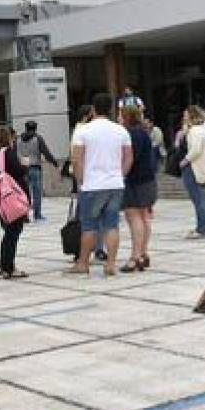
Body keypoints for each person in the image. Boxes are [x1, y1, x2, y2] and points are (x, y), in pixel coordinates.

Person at [67, 93, 133, 277]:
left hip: (92, 185)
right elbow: (129, 158)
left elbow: (77, 159)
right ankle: (111, 264)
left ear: (93, 109)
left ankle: (83, 263)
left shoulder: (83, 131)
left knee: (89, 227)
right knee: (111, 225)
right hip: (114, 184)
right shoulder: (121, 131)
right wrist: (120, 175)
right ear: (110, 109)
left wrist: (81, 181)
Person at [0, 128, 31, 280]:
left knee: (9, 232)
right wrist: (25, 165)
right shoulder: (7, 152)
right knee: (13, 233)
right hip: (12, 200)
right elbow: (18, 172)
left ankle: (4, 266)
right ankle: (8, 267)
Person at [120, 108, 157, 273]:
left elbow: (130, 158)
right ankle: (143, 253)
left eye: (121, 115)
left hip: (135, 181)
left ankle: (135, 257)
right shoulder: (144, 133)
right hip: (148, 179)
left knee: (134, 217)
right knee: (145, 216)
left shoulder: (131, 135)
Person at [16, 121, 59, 221]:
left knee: (24, 193)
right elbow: (46, 152)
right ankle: (37, 214)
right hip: (35, 168)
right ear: (35, 128)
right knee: (36, 193)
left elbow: (14, 153)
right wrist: (54, 162)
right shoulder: (38, 138)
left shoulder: (18, 139)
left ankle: (24, 215)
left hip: (22, 169)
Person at [181, 105, 205, 240]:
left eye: (186, 114)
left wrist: (185, 160)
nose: (184, 116)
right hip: (199, 167)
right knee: (200, 199)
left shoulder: (196, 131)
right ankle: (202, 227)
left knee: (199, 199)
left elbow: (195, 150)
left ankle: (202, 228)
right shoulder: (200, 130)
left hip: (194, 168)